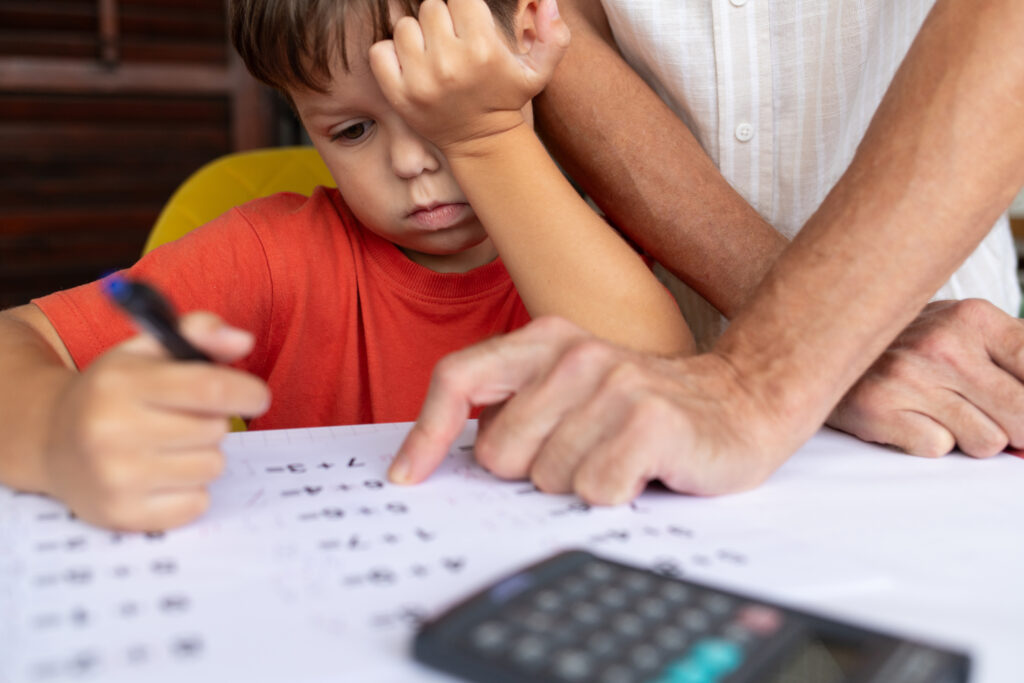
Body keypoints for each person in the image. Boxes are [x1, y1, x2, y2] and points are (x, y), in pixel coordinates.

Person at [0, 0, 692, 531]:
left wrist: (488, 135)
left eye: (440, 107)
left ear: (534, 30)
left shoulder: (591, 252)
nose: (410, 161)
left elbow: (664, 395)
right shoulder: (273, 255)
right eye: (353, 129)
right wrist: (58, 432)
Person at [386, 0, 1024, 501]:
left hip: (945, 371)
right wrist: (822, 342)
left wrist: (769, 372)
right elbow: (545, 19)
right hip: (683, 374)